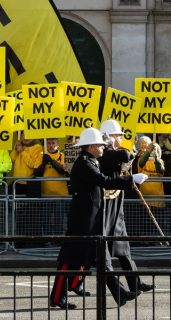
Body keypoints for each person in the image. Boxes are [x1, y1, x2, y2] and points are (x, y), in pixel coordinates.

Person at [49, 127, 147, 309]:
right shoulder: (85, 164)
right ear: (91, 146)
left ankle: (121, 293)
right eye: (100, 145)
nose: (104, 147)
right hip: (83, 220)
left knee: (102, 259)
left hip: (92, 218)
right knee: (68, 260)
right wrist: (131, 179)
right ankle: (56, 297)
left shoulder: (92, 161)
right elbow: (105, 181)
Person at [98, 121, 155, 294]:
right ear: (108, 136)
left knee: (123, 246)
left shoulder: (112, 153)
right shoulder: (105, 154)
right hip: (105, 205)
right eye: (118, 135)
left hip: (116, 204)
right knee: (95, 252)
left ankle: (135, 282)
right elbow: (125, 155)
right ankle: (71, 284)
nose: (121, 138)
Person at [33, 138, 68, 239]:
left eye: (53, 143)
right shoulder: (41, 155)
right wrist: (43, 164)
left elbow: (62, 170)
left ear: (58, 145)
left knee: (59, 219)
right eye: (48, 143)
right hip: (46, 193)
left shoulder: (62, 156)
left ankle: (58, 239)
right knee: (46, 219)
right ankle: (47, 239)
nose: (51, 145)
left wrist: (51, 160)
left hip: (60, 194)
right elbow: (36, 173)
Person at [10, 136, 43, 236]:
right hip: (17, 183)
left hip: (29, 184)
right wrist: (16, 149)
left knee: (28, 214)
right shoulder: (19, 145)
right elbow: (11, 159)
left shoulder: (37, 147)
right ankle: (19, 237)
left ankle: (28, 237)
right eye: (23, 135)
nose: (25, 137)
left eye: (28, 135)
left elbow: (32, 164)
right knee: (18, 213)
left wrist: (22, 152)